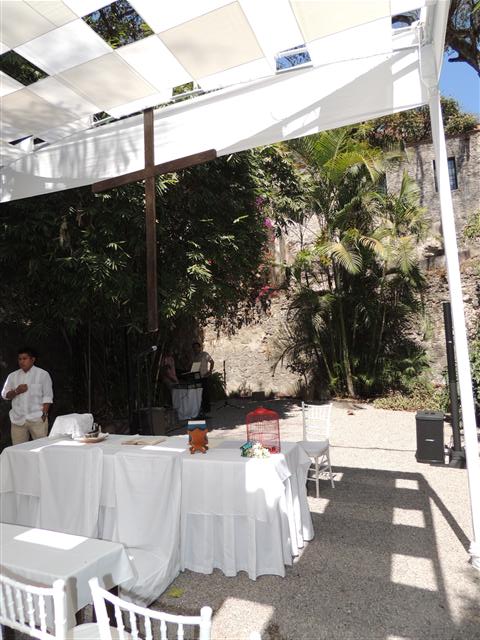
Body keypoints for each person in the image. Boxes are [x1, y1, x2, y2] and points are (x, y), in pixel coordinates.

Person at [1, 346, 53, 445]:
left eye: (25, 358)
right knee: (18, 450)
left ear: (33, 359)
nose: (21, 361)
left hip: (37, 419)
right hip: (18, 420)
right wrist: (16, 391)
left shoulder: (43, 374)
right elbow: (4, 395)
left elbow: (48, 397)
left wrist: (44, 415)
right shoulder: (12, 376)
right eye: (19, 359)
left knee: (41, 448)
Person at [192, 341, 214, 414]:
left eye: (196, 347)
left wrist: (210, 371)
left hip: (204, 376)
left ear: (200, 348)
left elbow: (212, 362)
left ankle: (207, 409)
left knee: (205, 393)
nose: (195, 349)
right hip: (197, 377)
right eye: (194, 348)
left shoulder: (205, 354)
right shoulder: (194, 357)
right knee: (199, 393)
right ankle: (201, 408)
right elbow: (194, 368)